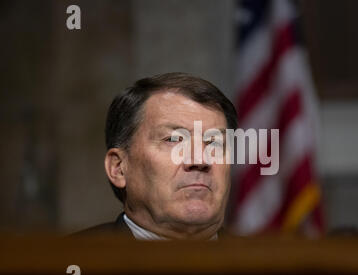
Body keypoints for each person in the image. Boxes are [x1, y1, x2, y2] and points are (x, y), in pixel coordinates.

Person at [75, 73, 237, 240]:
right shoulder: (61, 261)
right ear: (119, 168)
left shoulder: (262, 262)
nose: (201, 160)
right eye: (174, 140)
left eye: (215, 143)